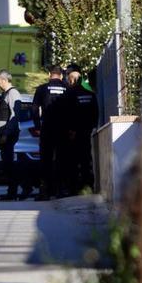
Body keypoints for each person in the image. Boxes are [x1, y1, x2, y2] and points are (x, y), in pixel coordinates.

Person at [60, 64, 99, 197]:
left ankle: (74, 188)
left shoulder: (69, 94)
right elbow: (95, 112)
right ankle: (88, 186)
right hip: (87, 132)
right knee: (86, 160)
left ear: (71, 80)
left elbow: (67, 114)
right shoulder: (90, 93)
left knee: (73, 161)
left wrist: (70, 130)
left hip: (73, 134)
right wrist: (92, 126)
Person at [32, 65, 68, 201]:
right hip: (63, 129)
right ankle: (61, 189)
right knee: (62, 159)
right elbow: (73, 109)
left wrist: (37, 126)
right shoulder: (67, 88)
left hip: (47, 128)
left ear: (49, 74)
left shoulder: (42, 89)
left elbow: (34, 108)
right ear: (61, 75)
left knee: (45, 160)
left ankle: (45, 191)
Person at [0, 69, 23, 201]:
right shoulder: (6, 93)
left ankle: (13, 191)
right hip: (4, 132)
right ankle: (13, 190)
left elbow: (14, 115)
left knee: (8, 164)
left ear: (4, 80)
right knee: (7, 164)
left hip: (8, 133)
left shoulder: (13, 93)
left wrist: (6, 133)